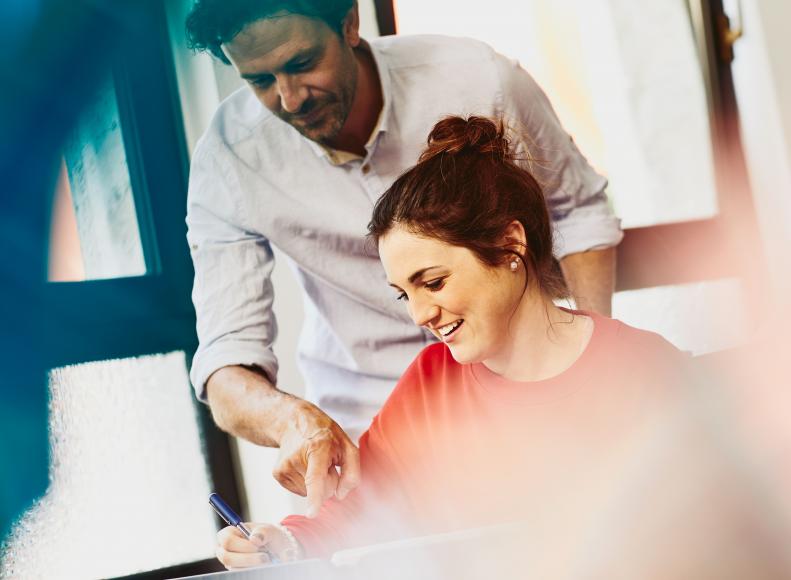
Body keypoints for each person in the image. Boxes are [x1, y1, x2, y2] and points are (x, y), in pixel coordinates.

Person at [213, 117, 754, 576]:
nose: (420, 315)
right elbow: (354, 509)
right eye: (404, 294)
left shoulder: (644, 369)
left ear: (509, 244)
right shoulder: (431, 383)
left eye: (434, 282)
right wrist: (281, 545)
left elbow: (732, 529)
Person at [184, 0, 623, 517]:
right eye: (259, 79)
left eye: (302, 65)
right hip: (369, 429)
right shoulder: (230, 157)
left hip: (522, 397)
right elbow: (225, 357)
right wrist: (291, 421)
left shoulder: (480, 79)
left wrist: (585, 369)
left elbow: (578, 213)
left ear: (349, 23)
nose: (290, 98)